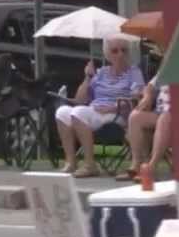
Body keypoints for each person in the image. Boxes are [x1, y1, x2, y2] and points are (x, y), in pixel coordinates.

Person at [54, 34, 144, 178]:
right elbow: (80, 99)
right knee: (62, 111)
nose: (120, 54)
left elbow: (137, 99)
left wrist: (114, 108)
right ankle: (71, 161)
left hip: (117, 114)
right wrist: (88, 77)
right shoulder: (101, 72)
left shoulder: (134, 73)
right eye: (115, 51)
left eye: (124, 50)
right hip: (94, 112)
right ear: (107, 54)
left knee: (78, 112)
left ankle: (90, 165)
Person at [120, 77, 172, 181]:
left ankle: (151, 167)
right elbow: (149, 86)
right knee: (135, 117)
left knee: (164, 118)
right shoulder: (166, 70)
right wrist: (147, 96)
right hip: (160, 112)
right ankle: (137, 165)